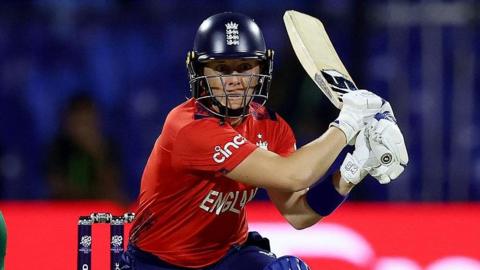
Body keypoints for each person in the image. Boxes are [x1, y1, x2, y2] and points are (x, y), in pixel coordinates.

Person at [121, 12, 407, 270]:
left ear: (260, 71)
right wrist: (348, 123)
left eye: (245, 66)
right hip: (159, 262)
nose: (234, 79)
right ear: (200, 72)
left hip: (226, 257)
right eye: (221, 68)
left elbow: (298, 213)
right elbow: (294, 174)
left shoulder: (272, 127)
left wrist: (352, 171)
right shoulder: (188, 128)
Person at [46, 93, 125, 202]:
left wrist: (96, 153)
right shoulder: (59, 148)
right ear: (68, 122)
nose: (83, 128)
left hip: (98, 211)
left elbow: (113, 188)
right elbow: (58, 190)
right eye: (79, 121)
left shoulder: (106, 146)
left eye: (87, 121)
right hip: (67, 212)